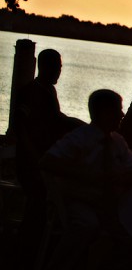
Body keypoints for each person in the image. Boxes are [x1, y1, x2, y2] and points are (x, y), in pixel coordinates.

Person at [39, 89, 132, 270]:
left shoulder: (118, 142)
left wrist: (118, 178)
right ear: (104, 113)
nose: (122, 115)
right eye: (118, 110)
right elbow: (48, 161)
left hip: (112, 206)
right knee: (86, 225)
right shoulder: (79, 139)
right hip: (81, 200)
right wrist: (86, 176)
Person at [12, 48, 83, 268]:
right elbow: (22, 129)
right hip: (31, 164)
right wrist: (35, 159)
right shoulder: (30, 92)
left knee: (41, 208)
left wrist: (81, 126)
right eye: (57, 66)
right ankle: (27, 254)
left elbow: (58, 120)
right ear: (45, 66)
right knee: (36, 209)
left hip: (42, 162)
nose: (60, 71)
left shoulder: (48, 91)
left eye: (60, 67)